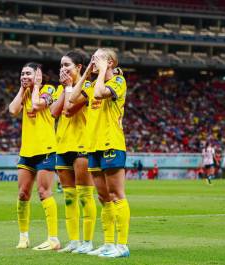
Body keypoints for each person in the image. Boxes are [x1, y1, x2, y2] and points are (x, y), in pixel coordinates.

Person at [70, 48, 130, 258]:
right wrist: (87, 73)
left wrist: (103, 69)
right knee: (103, 197)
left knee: (116, 195)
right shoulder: (93, 82)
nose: (93, 60)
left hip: (111, 143)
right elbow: (73, 98)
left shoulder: (118, 82)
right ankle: (108, 243)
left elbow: (98, 94)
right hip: (93, 146)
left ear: (111, 62)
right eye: (92, 58)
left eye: (98, 58)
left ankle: (122, 245)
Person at [9, 62, 60, 251]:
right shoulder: (24, 93)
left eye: (28, 73)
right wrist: (23, 89)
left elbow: (38, 105)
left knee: (44, 192)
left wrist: (36, 86)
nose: (24, 76)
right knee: (23, 194)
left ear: (38, 74)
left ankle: (53, 238)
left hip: (46, 148)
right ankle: (23, 237)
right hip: (27, 151)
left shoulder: (49, 89)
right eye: (22, 73)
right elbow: (13, 110)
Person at [50, 51, 97, 254]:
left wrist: (68, 87)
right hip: (62, 144)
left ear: (79, 67)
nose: (63, 69)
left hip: (82, 145)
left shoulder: (87, 87)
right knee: (69, 197)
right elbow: (53, 112)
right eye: (61, 66)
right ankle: (74, 240)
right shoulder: (65, 88)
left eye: (67, 65)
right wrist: (64, 88)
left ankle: (88, 241)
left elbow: (69, 109)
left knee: (85, 196)